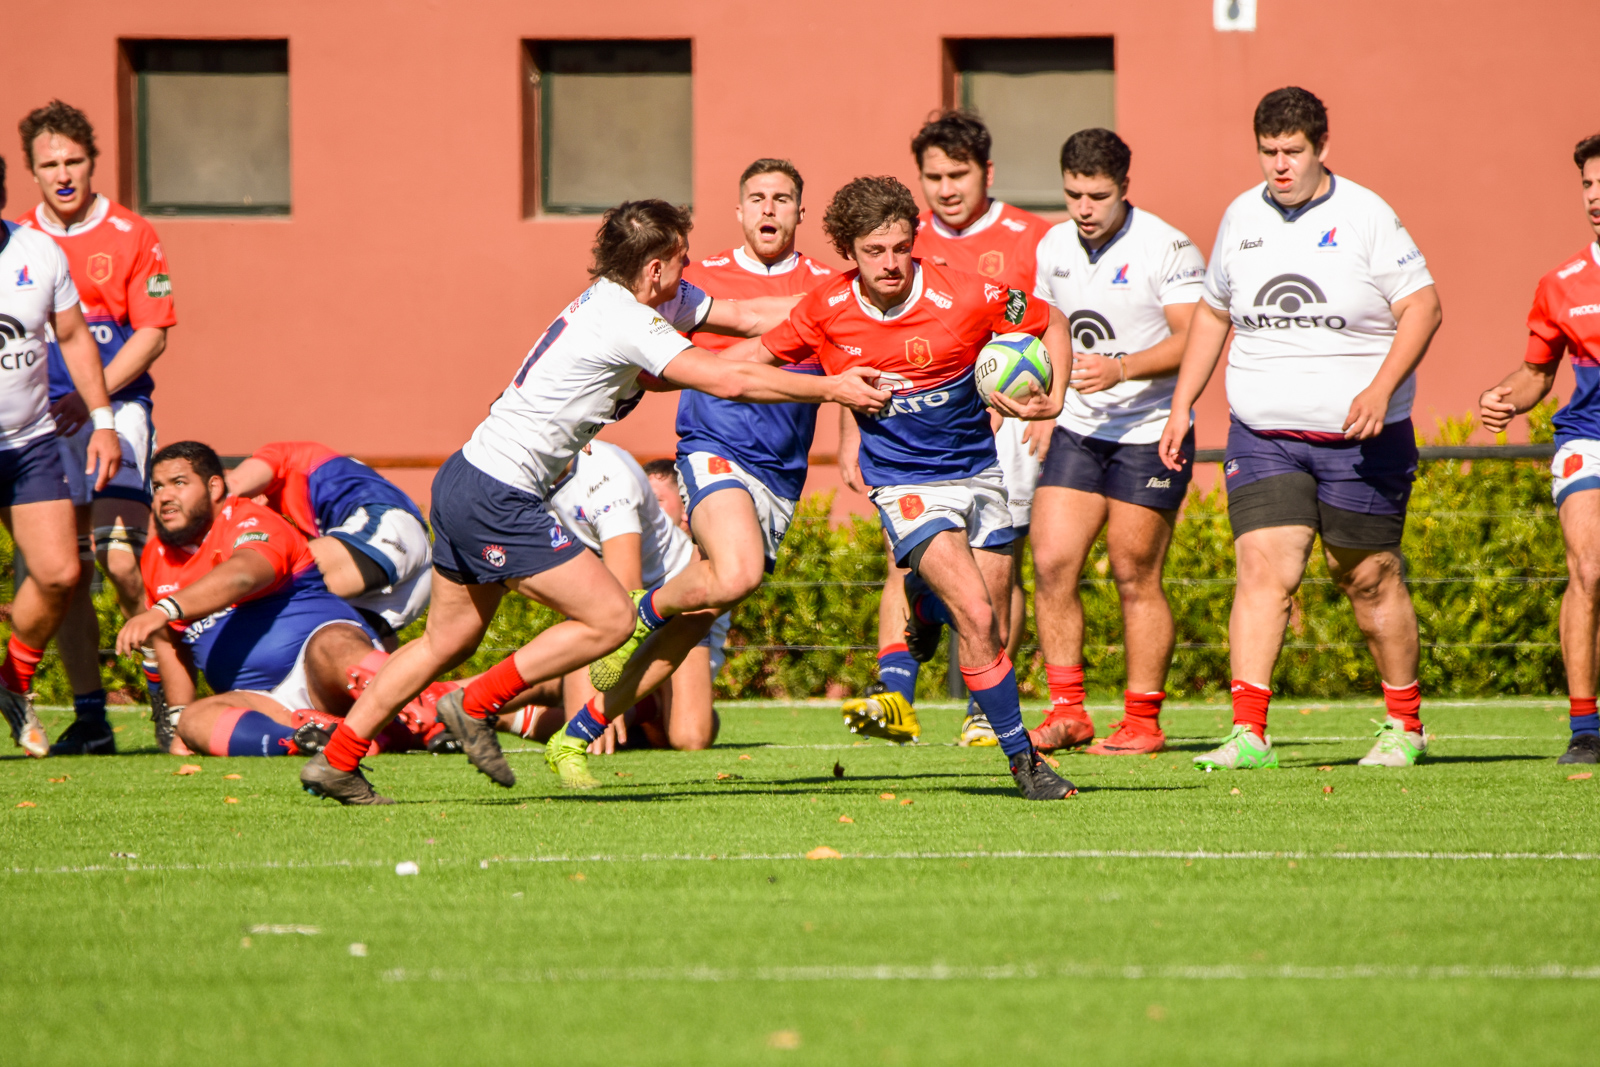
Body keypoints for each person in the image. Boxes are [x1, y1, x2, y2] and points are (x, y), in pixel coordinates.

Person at [299, 199, 888, 804]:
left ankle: (337, 761)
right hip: (497, 495)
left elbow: (749, 313)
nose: (690, 274)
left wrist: (858, 297)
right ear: (655, 268)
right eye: (682, 262)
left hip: (465, 478)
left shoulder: (647, 298)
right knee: (609, 618)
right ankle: (472, 703)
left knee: (444, 644)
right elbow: (729, 380)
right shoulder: (625, 319)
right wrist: (833, 388)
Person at [756, 175, 1075, 799]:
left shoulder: (967, 294)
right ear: (850, 251)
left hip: (979, 471)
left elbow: (1053, 321)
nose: (891, 263)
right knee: (979, 615)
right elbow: (753, 364)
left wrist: (1054, 400)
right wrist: (661, 369)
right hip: (905, 485)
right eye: (875, 251)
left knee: (989, 626)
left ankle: (923, 610)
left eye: (901, 247)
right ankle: (1023, 764)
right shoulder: (826, 308)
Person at [1157, 87, 1443, 770]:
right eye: (1268, 152)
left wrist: (1379, 389)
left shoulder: (1366, 215)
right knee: (1262, 571)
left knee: (1368, 577)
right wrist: (1181, 402)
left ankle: (1405, 724)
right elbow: (1214, 316)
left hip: (1363, 438)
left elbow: (1424, 306)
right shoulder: (1239, 217)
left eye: (1293, 152)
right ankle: (1248, 733)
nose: (1279, 166)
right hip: (1265, 434)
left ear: (1322, 148)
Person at [569, 161, 833, 776]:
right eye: (757, 199)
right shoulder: (698, 280)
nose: (769, 210)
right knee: (732, 575)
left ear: (800, 212)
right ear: (738, 212)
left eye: (782, 199)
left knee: (706, 609)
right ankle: (630, 622)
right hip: (712, 449)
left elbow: (851, 355)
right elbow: (632, 355)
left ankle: (584, 724)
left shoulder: (827, 287)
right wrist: (587, 418)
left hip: (780, 474)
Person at [839, 110, 1051, 747]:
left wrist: (1043, 405)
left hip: (1003, 425)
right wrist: (852, 433)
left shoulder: (1031, 237)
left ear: (986, 171)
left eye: (958, 174)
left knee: (994, 568)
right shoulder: (902, 240)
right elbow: (865, 348)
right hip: (908, 431)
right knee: (907, 559)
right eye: (933, 176)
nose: (946, 188)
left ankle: (984, 710)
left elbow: (1043, 329)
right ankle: (894, 698)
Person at [1026, 129, 1205, 756]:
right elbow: (1048, 328)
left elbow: (1195, 338)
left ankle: (1143, 722)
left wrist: (1123, 368)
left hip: (1151, 430)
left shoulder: (1167, 246)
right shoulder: (1052, 245)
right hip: (1078, 425)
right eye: (1073, 193)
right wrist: (1046, 399)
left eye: (1097, 195)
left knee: (1135, 572)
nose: (1083, 208)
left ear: (1124, 187)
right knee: (1051, 562)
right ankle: (1068, 711)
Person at [14, 100, 177, 755]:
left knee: (121, 556)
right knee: (64, 571)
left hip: (116, 412)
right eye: (49, 163)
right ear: (30, 171)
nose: (62, 173)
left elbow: (154, 332)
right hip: (36, 428)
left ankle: (168, 696)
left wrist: (94, 397)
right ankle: (92, 717)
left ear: (93, 161)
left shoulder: (132, 234)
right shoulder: (17, 241)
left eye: (73, 160)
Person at [113, 442, 447, 760]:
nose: (165, 496)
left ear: (215, 488)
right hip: (266, 703)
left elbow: (245, 573)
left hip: (320, 662)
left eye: (179, 483)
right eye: (157, 487)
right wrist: (176, 720)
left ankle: (430, 716)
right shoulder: (156, 559)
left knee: (336, 644)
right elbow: (173, 644)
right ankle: (310, 738)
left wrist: (165, 608)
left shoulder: (250, 518)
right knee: (195, 719)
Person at [1478, 132, 1600, 765]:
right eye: (1587, 185)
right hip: (1590, 438)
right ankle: (1586, 729)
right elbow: (1536, 374)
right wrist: (1504, 395)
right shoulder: (1561, 284)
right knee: (1590, 568)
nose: (1595, 197)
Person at [0, 156, 121, 757]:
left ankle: (13, 682)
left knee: (61, 573)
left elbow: (72, 336)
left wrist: (102, 421)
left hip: (29, 442)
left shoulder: (37, 251)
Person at [495, 441, 722, 754]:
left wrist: (611, 695)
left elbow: (627, 593)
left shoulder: (605, 473)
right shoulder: (515, 483)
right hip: (604, 604)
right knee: (590, 739)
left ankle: (647, 705)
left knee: (690, 737)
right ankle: (492, 715)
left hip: (667, 599)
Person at [225, 441, 432, 643]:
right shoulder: (304, 517)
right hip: (408, 562)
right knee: (351, 658)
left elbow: (228, 492)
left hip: (382, 526)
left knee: (257, 584)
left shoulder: (284, 455)